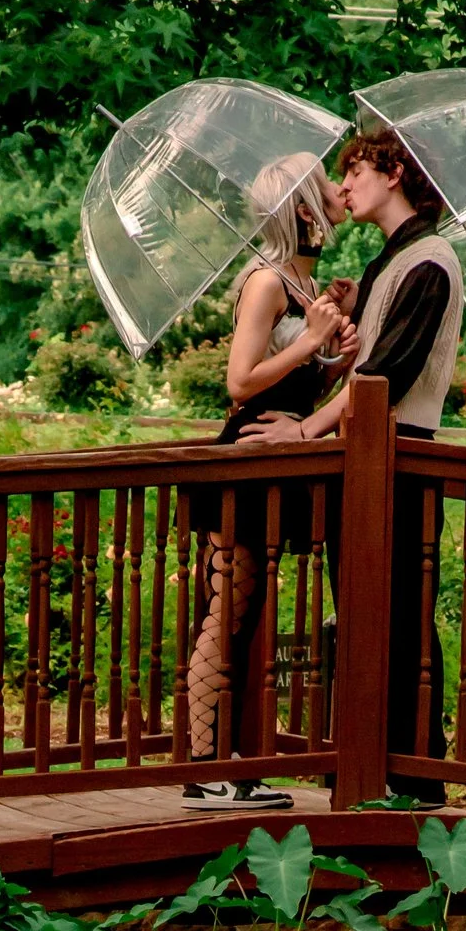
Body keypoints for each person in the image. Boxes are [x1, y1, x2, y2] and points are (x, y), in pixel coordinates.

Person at [243, 123, 462, 798]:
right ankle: (379, 768)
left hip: (399, 457)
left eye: (356, 170)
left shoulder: (430, 261)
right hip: (364, 459)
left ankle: (415, 778)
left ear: (394, 171)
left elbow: (385, 378)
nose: (343, 187)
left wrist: (304, 434)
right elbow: (356, 364)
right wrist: (337, 315)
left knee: (399, 615)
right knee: (366, 612)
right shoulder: (388, 263)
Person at [182, 152, 350, 805]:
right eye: (328, 183)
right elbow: (240, 380)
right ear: (305, 210)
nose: (342, 188)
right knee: (225, 617)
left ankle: (220, 766)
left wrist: (338, 360)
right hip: (246, 460)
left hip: (279, 463)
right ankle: (200, 772)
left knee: (242, 622)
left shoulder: (307, 287)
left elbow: (298, 389)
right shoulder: (267, 283)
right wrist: (311, 343)